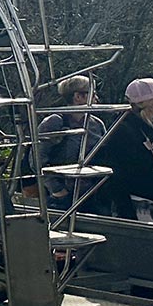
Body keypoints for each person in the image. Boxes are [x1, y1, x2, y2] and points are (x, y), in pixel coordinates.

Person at [96, 77, 153, 223]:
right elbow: (114, 176)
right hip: (137, 212)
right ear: (145, 102)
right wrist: (126, 211)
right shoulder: (121, 131)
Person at [36, 75, 108, 210]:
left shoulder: (97, 124)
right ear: (78, 96)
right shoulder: (54, 122)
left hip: (92, 194)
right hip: (61, 198)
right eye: (92, 94)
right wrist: (57, 190)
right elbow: (37, 158)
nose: (96, 99)